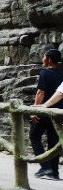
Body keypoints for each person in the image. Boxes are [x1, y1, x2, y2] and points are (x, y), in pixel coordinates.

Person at [31, 48, 63, 179]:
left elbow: (41, 93)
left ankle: (45, 167)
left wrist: (34, 110)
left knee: (34, 136)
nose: (42, 59)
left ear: (49, 59)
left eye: (44, 57)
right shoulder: (62, 75)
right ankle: (54, 171)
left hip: (43, 112)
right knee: (53, 141)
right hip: (57, 113)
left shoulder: (44, 73)